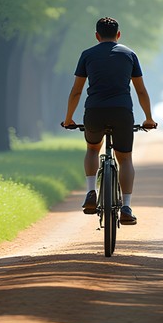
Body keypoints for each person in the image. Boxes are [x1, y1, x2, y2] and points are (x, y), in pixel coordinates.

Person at [62, 16, 157, 225]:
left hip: (94, 112)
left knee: (93, 149)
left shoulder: (87, 55)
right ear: (119, 34)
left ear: (97, 36)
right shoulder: (129, 55)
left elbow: (76, 91)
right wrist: (149, 118)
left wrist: (68, 118)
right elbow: (141, 90)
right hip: (122, 112)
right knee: (125, 159)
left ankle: (90, 192)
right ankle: (126, 206)